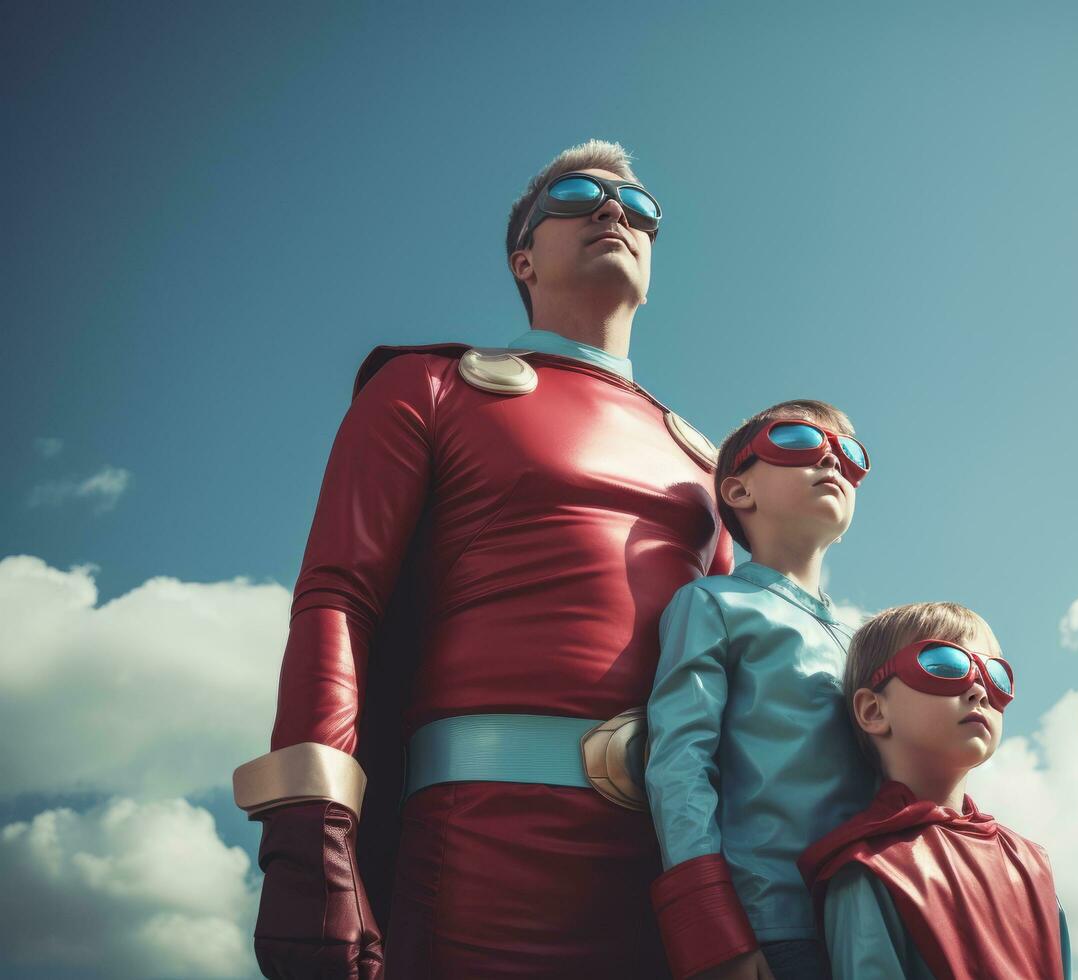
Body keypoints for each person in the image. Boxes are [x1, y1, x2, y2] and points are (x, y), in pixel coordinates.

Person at [232, 139, 733, 978]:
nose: (615, 211)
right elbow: (338, 597)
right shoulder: (431, 385)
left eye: (640, 207)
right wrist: (308, 821)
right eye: (577, 195)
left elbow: (727, 683)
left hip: (661, 866)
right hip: (474, 849)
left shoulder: (713, 467)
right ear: (522, 257)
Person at [645, 402, 877, 980]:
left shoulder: (867, 645)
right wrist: (712, 925)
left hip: (874, 924)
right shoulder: (714, 604)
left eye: (850, 454)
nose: (832, 457)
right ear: (739, 491)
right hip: (771, 927)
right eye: (798, 440)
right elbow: (679, 761)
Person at [798, 602, 1072, 980]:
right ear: (874, 711)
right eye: (945, 665)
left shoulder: (1031, 865)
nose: (979, 690)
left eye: (996, 677)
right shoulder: (869, 868)